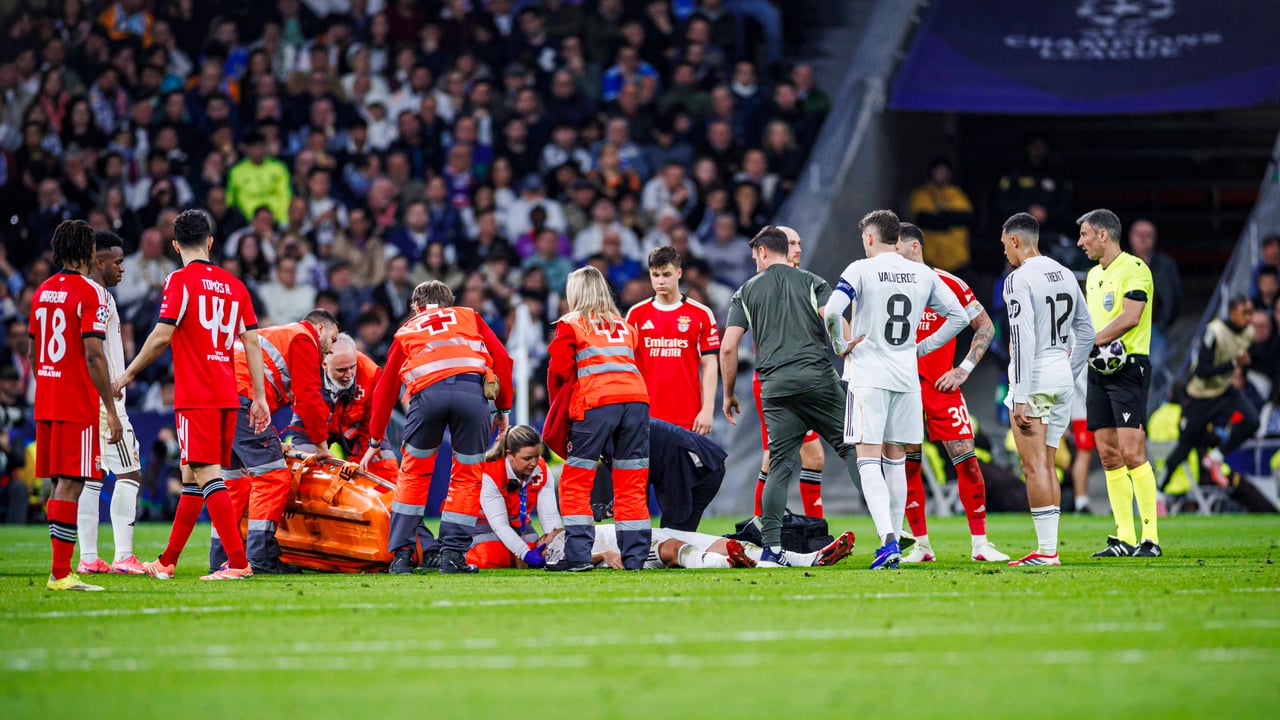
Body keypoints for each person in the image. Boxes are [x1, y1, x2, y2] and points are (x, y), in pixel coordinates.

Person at [112, 210, 270, 581]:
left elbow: (162, 335)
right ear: (210, 242)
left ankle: (238, 563)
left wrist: (129, 373)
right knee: (192, 476)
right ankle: (167, 561)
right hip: (227, 393)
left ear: (175, 245)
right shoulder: (235, 285)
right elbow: (252, 343)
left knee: (206, 473)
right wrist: (260, 397)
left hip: (196, 394)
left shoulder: (179, 280)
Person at [823, 211, 968, 570]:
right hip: (906, 378)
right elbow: (960, 317)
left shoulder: (860, 269)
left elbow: (833, 310)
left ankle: (888, 538)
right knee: (896, 460)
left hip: (869, 376)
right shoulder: (923, 273)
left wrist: (841, 344)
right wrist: (922, 347)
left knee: (867, 457)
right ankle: (895, 538)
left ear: (870, 238)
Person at [722, 226, 863, 568]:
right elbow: (833, 317)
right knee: (852, 448)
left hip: (774, 387)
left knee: (780, 465)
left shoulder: (745, 291)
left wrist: (727, 393)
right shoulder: (813, 282)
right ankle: (890, 529)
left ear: (763, 252)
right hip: (817, 380)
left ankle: (771, 548)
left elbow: (727, 348)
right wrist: (844, 347)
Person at [362, 280, 514, 575]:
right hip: (472, 397)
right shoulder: (470, 317)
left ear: (416, 306)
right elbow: (503, 361)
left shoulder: (407, 329)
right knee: (467, 477)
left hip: (426, 398)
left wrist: (376, 438)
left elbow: (386, 387)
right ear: (449, 303)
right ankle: (452, 556)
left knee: (413, 475)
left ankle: (403, 556)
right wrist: (504, 408)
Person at [893, 223, 1008, 564]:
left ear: (914, 247)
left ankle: (980, 543)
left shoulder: (949, 284)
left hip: (941, 386)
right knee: (908, 465)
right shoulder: (887, 286)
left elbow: (985, 325)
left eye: (896, 249)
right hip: (902, 387)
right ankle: (922, 546)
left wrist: (963, 369)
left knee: (967, 460)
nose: (891, 257)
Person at [211, 308, 340, 574]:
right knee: (273, 478)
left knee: (234, 483)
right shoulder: (303, 339)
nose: (331, 349)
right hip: (242, 398)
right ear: (319, 329)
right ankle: (260, 557)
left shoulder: (281, 336)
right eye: (333, 339)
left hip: (219, 399)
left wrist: (271, 439)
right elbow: (309, 398)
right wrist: (321, 445)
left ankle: (222, 556)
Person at [32, 220, 122, 591]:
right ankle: (60, 573)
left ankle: (60, 571)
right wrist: (110, 410)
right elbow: (93, 353)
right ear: (88, 251)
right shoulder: (90, 293)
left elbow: (34, 351)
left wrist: (46, 385)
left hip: (47, 399)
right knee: (72, 483)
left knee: (59, 483)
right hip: (75, 402)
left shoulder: (42, 291)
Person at [1001, 212, 1094, 566]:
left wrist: (1021, 395)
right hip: (1061, 375)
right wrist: (1070, 371)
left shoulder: (1018, 279)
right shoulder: (1066, 273)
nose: (1005, 252)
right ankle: (1049, 548)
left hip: (1035, 376)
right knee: (1048, 463)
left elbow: (1022, 339)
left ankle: (1046, 551)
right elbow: (1086, 331)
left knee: (1034, 466)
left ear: (1015, 240)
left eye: (1004, 245)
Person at [546, 266, 653, 572]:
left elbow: (559, 372)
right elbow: (639, 366)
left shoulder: (570, 325)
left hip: (596, 404)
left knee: (576, 482)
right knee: (631, 482)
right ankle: (635, 558)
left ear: (575, 293)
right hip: (636, 402)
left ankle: (578, 556)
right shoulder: (626, 327)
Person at [1077, 208, 1162, 559]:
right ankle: (1124, 537)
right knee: (1108, 454)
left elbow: (1131, 316)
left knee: (1132, 450)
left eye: (1085, 234)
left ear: (1103, 234)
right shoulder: (1093, 275)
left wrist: (1092, 340)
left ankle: (1150, 538)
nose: (1080, 242)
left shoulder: (1135, 268)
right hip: (1098, 369)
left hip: (1130, 367)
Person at [75, 230, 145, 576]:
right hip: (106, 401)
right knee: (130, 473)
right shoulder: (99, 297)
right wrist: (112, 404)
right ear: (98, 261)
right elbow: (94, 352)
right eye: (116, 262)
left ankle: (89, 557)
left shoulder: (79, 293)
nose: (122, 268)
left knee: (91, 478)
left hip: (85, 398)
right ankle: (123, 556)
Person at [750, 227, 826, 519]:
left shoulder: (800, 282)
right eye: (791, 243)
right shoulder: (767, 285)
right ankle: (760, 526)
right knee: (776, 457)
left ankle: (813, 529)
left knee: (812, 457)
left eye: (799, 243)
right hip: (778, 381)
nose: (798, 249)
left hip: (798, 380)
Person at [1161, 296, 1258, 490]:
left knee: (1252, 421)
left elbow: (1243, 359)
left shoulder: (1249, 332)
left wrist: (1245, 362)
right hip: (1201, 397)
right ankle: (1160, 488)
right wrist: (1233, 364)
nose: (1249, 318)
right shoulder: (1214, 332)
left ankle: (1215, 457)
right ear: (1232, 312)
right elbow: (1201, 371)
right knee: (1185, 445)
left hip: (1223, 391)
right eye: (1244, 313)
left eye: (1251, 313)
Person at [625, 246, 720, 433]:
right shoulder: (635, 315)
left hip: (689, 415)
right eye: (655, 275)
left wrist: (708, 409)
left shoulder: (701, 314)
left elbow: (710, 364)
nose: (660, 281)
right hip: (646, 415)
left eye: (666, 274)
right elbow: (627, 366)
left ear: (679, 273)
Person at [545, 521, 856, 570]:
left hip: (642, 529)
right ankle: (720, 563)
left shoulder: (566, 526)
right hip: (631, 545)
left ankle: (806, 559)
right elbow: (566, 561)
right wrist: (602, 554)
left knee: (729, 543)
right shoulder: (552, 548)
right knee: (671, 548)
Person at [466, 425, 562, 570]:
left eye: (537, 456)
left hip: (518, 522)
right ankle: (449, 552)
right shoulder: (491, 471)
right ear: (510, 454)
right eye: (527, 458)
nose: (534, 463)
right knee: (495, 558)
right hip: (481, 522)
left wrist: (554, 543)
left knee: (541, 552)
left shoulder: (541, 469)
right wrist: (524, 553)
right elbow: (500, 524)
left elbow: (549, 516)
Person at [1128, 220, 1180, 375]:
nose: (1143, 239)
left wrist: (1165, 322)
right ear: (1131, 237)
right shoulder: (1121, 264)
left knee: (1155, 367)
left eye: (1148, 235)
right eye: (1139, 235)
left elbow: (1175, 296)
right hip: (1127, 328)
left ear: (1155, 239)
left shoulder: (1166, 265)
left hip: (1156, 326)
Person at [907, 158, 974, 273]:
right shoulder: (922, 194)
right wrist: (948, 219)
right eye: (938, 172)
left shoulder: (956, 194)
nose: (941, 176)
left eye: (944, 172)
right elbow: (922, 219)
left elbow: (966, 217)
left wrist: (942, 216)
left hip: (957, 257)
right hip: (930, 258)